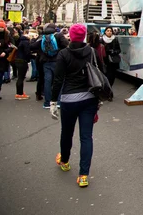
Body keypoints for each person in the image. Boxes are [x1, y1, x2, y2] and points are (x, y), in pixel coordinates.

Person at [50, 23, 99, 188]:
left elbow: (57, 79)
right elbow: (100, 73)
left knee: (67, 132)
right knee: (86, 137)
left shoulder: (64, 54)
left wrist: (53, 101)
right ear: (84, 36)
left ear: (70, 35)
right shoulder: (91, 52)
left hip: (69, 98)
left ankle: (64, 161)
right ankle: (83, 175)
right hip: (89, 98)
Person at [30, 23, 69, 109]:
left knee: (47, 81)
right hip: (58, 61)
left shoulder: (43, 37)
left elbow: (32, 47)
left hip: (45, 61)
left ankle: (47, 102)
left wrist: (33, 40)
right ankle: (58, 101)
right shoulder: (59, 36)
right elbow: (67, 45)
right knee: (58, 81)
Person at [14, 28, 32, 100]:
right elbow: (27, 52)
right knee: (21, 77)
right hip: (22, 60)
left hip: (18, 60)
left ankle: (19, 93)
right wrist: (32, 57)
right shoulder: (26, 42)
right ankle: (20, 94)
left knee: (20, 77)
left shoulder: (21, 41)